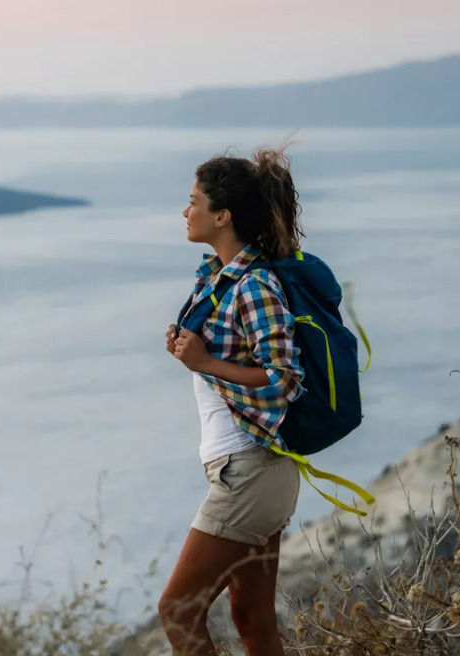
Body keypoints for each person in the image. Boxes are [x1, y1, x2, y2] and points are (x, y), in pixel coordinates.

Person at [159, 148, 306, 656]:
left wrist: (204, 363)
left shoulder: (254, 284)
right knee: (252, 619)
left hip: (249, 471)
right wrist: (190, 349)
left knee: (177, 610)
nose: (186, 211)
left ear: (222, 216)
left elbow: (283, 377)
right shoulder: (217, 280)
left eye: (194, 200)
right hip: (252, 470)